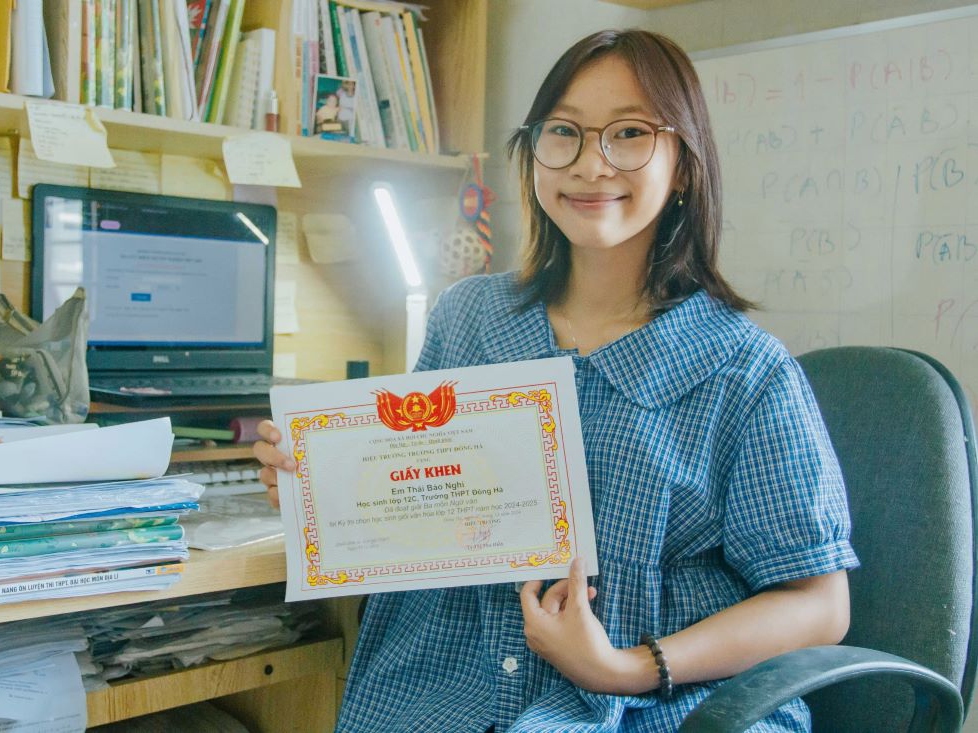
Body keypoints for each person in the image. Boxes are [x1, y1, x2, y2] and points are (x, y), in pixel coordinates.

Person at [254, 29, 859, 732]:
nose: (590, 164)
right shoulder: (470, 319)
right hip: (448, 691)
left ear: (685, 165)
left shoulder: (746, 371)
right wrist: (321, 484)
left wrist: (626, 666)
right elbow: (417, 511)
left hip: (658, 706)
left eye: (629, 133)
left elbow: (822, 604)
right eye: (563, 133)